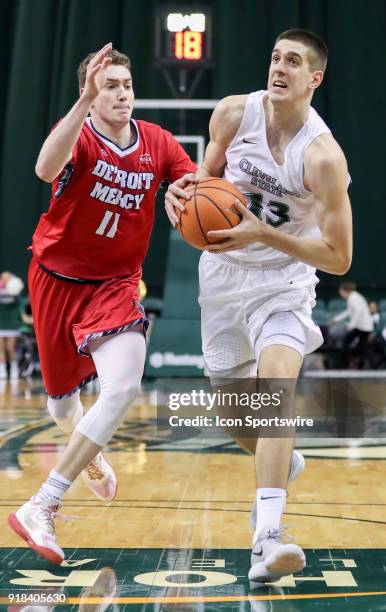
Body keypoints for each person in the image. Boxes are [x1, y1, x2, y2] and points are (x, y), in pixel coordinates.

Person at [165, 29, 352, 582]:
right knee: (233, 415)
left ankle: (267, 536)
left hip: (284, 280)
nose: (279, 68)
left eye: (293, 62)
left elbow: (339, 256)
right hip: (222, 278)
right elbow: (205, 181)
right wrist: (182, 195)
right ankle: (284, 460)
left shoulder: (322, 158)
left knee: (275, 392)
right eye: (275, 56)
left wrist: (263, 237)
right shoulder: (231, 114)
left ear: (314, 79)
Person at [7, 43, 196, 563]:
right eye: (108, 86)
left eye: (125, 86)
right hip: (56, 280)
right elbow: (46, 169)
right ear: (90, 94)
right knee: (62, 403)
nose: (120, 94)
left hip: (116, 286)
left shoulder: (156, 142)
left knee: (123, 385)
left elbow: (193, 184)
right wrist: (83, 99)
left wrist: (191, 196)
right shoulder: (80, 136)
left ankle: (42, 505)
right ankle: (85, 449)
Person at [332, 282, 373, 368]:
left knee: (346, 342)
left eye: (341, 292)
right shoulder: (354, 297)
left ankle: (346, 364)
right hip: (365, 327)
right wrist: (336, 319)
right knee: (362, 347)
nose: (341, 295)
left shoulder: (353, 298)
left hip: (363, 327)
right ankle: (369, 366)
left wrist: (351, 325)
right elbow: (349, 311)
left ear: (345, 291)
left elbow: (358, 312)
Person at [0, 271, 24, 380]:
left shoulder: (15, 290)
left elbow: (20, 306)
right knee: (1, 349)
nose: (5, 280)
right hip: (1, 324)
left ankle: (14, 369)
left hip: (12, 324)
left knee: (10, 348)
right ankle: (2, 371)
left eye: (7, 278)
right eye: (3, 278)